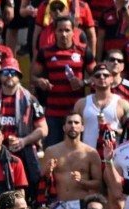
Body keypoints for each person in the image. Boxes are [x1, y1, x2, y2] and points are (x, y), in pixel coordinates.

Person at [0, 57, 47, 205]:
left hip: (22, 155)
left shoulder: (30, 99)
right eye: (5, 72)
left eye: (13, 73)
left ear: (19, 76)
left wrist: (23, 141)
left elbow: (43, 129)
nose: (9, 76)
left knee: (23, 196)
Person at [32, 15, 96, 146]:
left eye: (67, 30)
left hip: (76, 113)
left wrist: (83, 83)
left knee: (77, 152)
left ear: (74, 31)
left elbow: (98, 77)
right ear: (54, 31)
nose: (64, 34)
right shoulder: (45, 52)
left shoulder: (83, 51)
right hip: (53, 113)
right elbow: (33, 77)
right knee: (52, 153)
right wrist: (40, 82)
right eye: (60, 30)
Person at [38, 113, 102, 209]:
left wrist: (82, 181)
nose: (73, 126)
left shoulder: (91, 153)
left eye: (76, 123)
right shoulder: (51, 151)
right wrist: (48, 171)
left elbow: (98, 183)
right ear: (64, 127)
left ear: (82, 127)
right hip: (57, 205)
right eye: (69, 122)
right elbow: (42, 181)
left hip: (81, 204)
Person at [73, 63, 129, 148]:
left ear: (111, 78)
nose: (102, 77)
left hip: (113, 155)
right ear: (92, 79)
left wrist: (111, 130)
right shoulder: (81, 104)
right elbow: (72, 130)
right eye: (97, 76)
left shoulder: (122, 104)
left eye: (106, 75)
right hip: (87, 155)